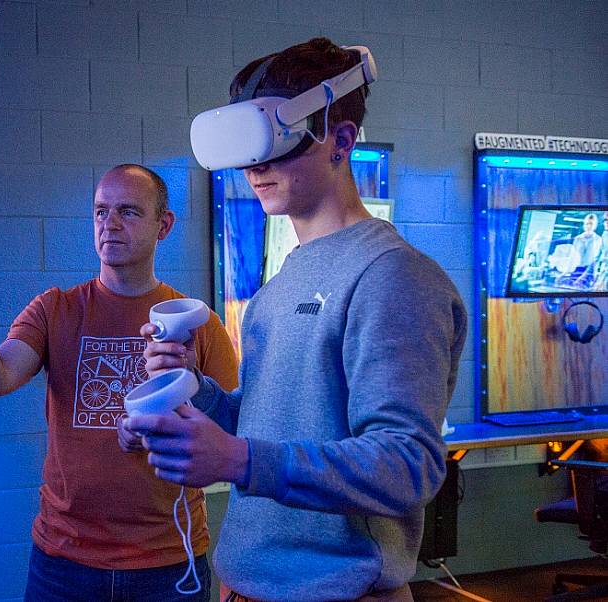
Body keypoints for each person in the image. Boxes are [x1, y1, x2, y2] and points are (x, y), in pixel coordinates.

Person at [127, 38, 468, 602]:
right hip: (243, 584)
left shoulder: (393, 276)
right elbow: (271, 426)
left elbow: (409, 465)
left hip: (338, 591)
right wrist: (199, 390)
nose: (256, 168)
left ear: (342, 141)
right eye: (249, 151)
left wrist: (240, 460)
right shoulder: (277, 288)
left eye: (278, 145)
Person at [0, 164, 239, 601]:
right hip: (65, 562)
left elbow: (231, 434)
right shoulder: (55, 309)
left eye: (129, 212)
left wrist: (165, 431)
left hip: (167, 561)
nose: (110, 224)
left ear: (164, 225)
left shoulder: (197, 323)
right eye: (101, 212)